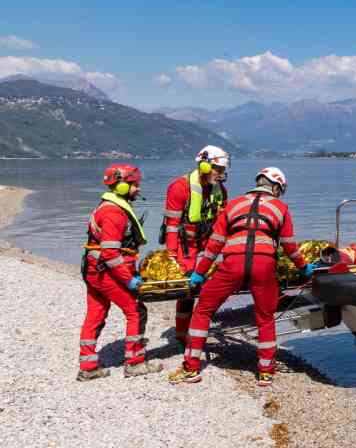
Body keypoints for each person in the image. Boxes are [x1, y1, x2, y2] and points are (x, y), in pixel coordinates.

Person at [168, 167, 315, 387]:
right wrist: (304, 268)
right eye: (279, 190)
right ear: (275, 186)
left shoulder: (233, 204)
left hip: (232, 264)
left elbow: (214, 245)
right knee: (265, 317)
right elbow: (289, 246)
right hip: (264, 266)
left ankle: (191, 368)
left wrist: (199, 274)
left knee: (203, 310)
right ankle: (265, 372)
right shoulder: (280, 207)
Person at [78, 164, 163, 380]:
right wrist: (130, 281)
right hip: (107, 272)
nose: (138, 190)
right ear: (122, 186)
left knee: (95, 313)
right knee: (136, 310)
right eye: (135, 185)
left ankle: (87, 367)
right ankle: (134, 363)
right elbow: (110, 254)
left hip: (93, 271)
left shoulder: (106, 206)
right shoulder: (115, 212)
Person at [160, 145, 229, 346]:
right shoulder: (179, 187)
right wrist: (171, 255)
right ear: (205, 166)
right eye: (218, 169)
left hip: (208, 241)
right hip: (186, 244)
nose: (221, 174)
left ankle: (201, 324)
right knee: (187, 290)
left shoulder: (220, 190)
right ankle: (182, 334)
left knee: (218, 281)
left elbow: (224, 222)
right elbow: (172, 226)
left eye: (223, 170)